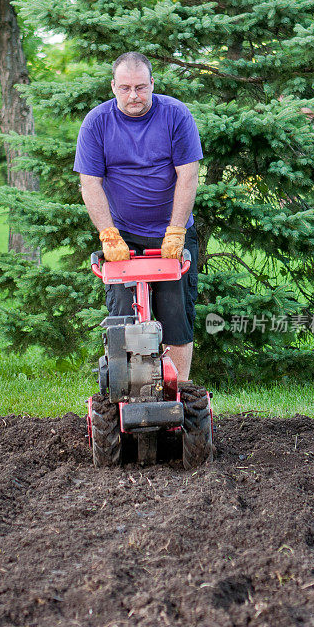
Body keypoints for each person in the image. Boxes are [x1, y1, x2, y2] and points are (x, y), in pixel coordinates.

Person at [74, 51, 203, 385]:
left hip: (171, 238)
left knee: (177, 321)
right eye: (126, 87)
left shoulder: (175, 115)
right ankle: (132, 395)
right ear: (113, 86)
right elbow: (90, 182)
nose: (134, 95)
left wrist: (175, 232)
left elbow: (188, 177)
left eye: (141, 87)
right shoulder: (97, 122)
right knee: (122, 322)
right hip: (123, 240)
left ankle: (179, 397)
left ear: (152, 84)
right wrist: (108, 235)